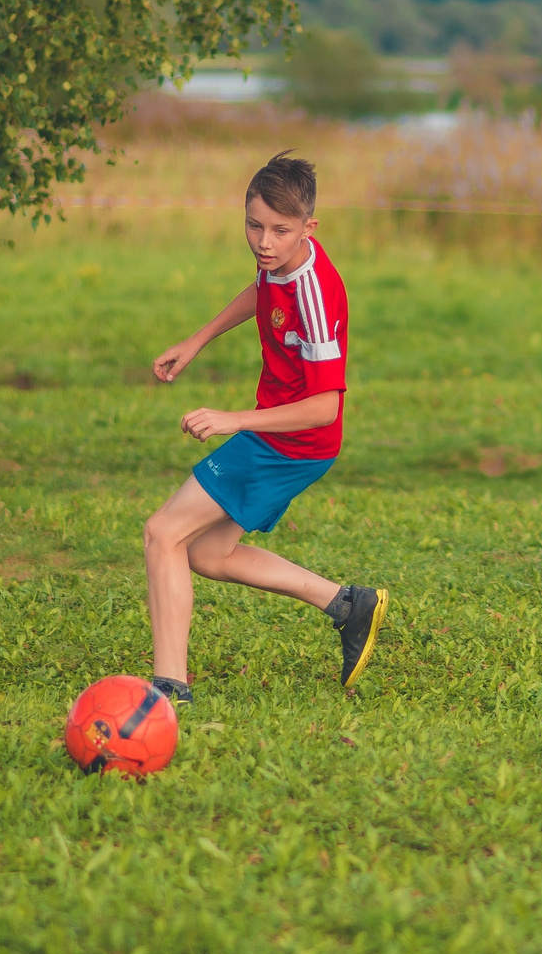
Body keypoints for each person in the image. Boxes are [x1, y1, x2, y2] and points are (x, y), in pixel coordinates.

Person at [140, 152, 385, 706]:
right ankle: (349, 606)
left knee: (163, 534)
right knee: (206, 554)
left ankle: (169, 688)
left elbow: (324, 406)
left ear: (309, 228)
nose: (264, 242)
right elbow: (260, 291)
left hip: (292, 442)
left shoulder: (316, 293)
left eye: (279, 230)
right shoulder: (278, 261)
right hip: (280, 435)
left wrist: (234, 421)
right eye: (254, 226)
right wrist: (197, 339)